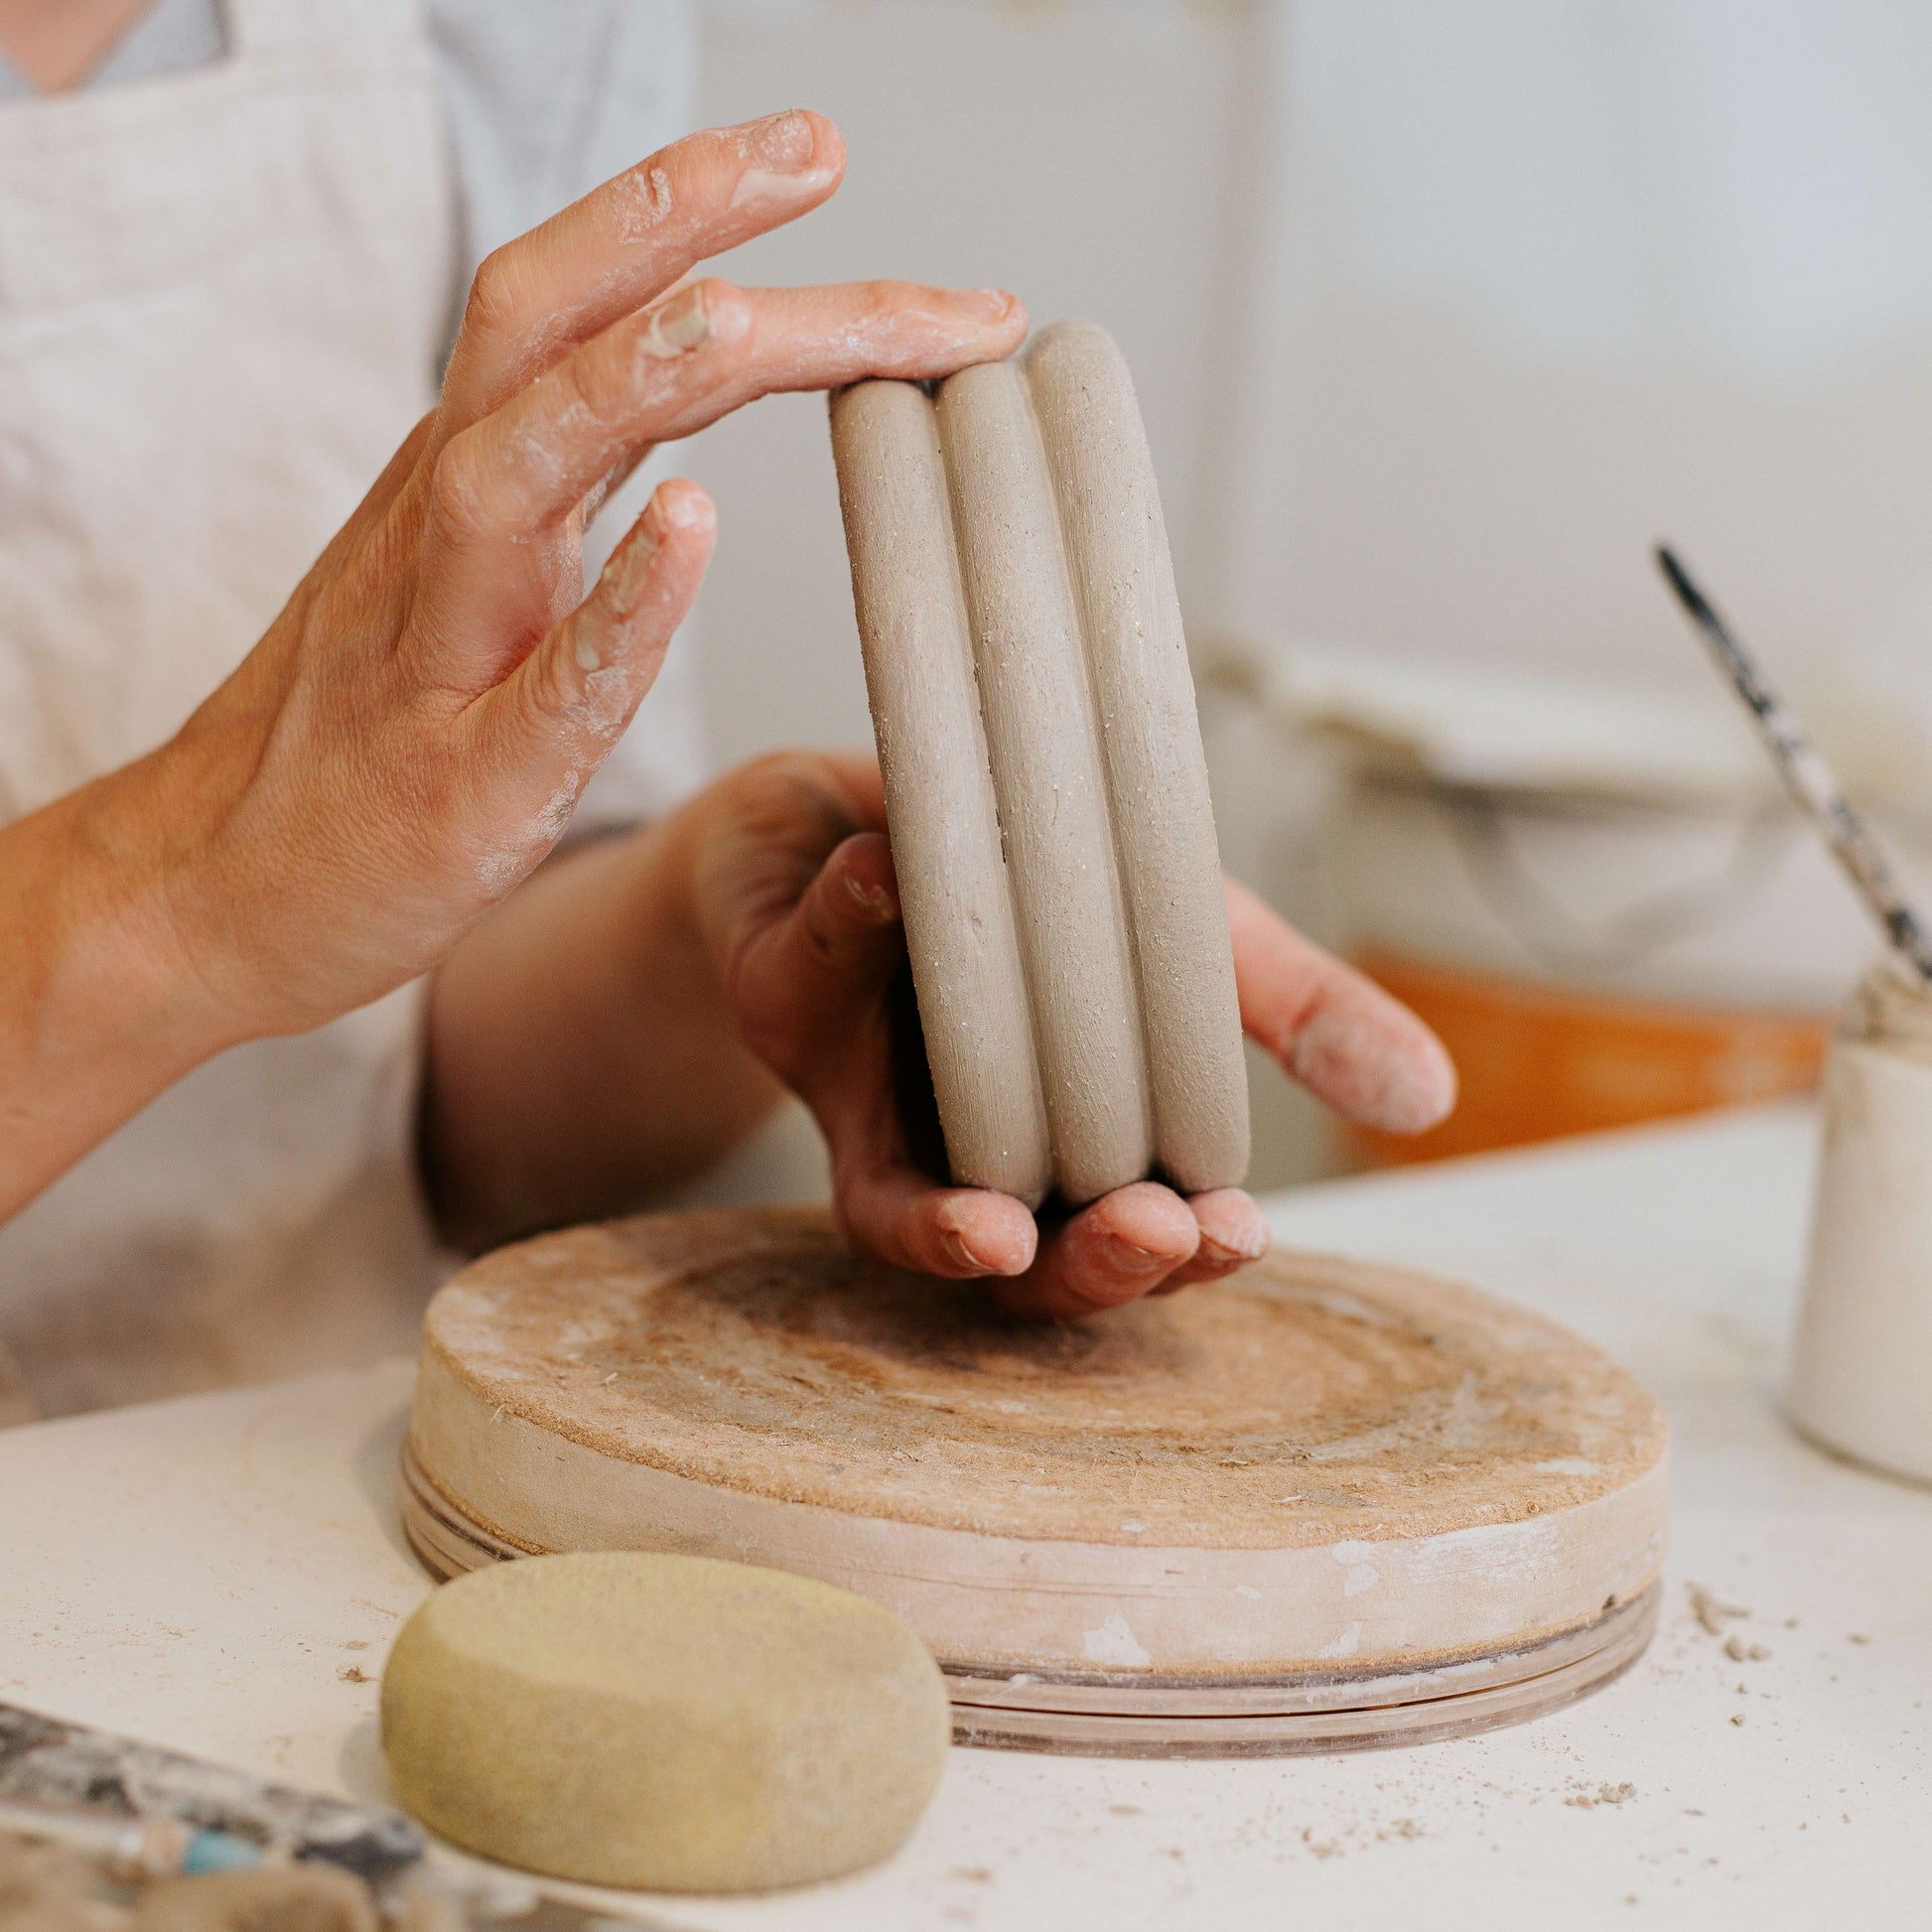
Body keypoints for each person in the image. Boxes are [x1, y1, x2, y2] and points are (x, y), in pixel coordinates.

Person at [0, 0, 1455, 1427]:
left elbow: (399, 1067)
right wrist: (173, 892)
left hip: (245, 1453)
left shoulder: (525, 30)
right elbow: (243, 901)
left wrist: (720, 944)